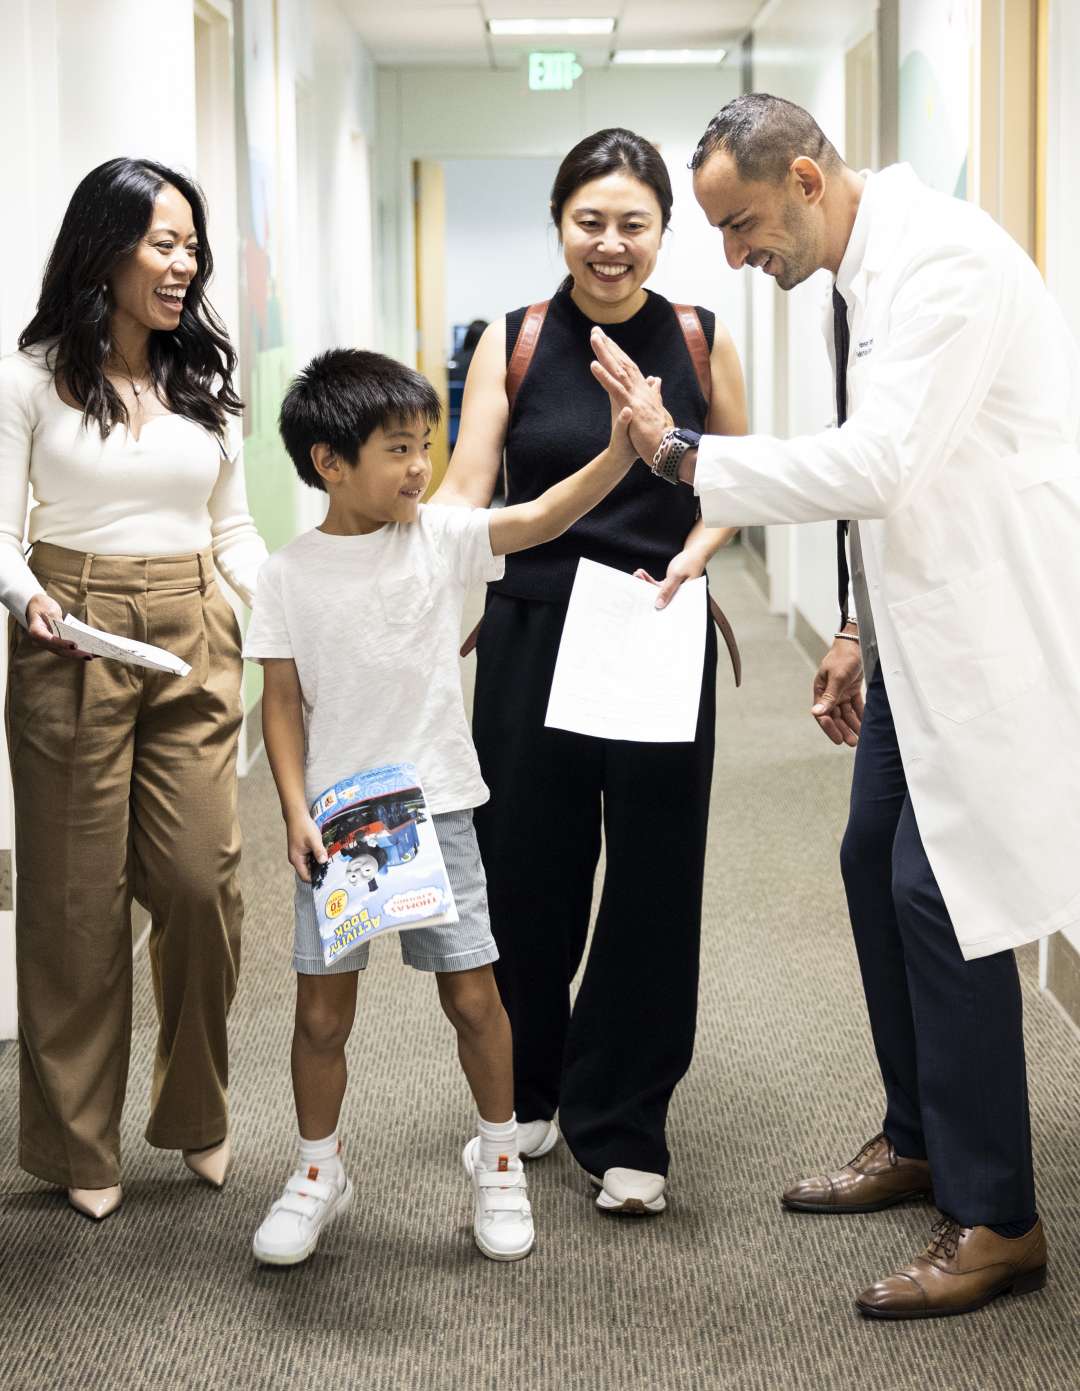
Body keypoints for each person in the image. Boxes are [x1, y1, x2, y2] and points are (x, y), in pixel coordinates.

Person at [590, 91, 1080, 1318]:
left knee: (940, 889)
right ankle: (920, 1134)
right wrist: (856, 622)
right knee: (875, 857)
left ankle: (997, 1216)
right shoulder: (856, 278)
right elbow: (883, 472)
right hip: (915, 630)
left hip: (989, 627)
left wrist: (682, 454)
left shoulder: (945, 263)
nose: (736, 255)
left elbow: (882, 461)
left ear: (806, 178)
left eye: (742, 223)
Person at [243, 346, 645, 1265]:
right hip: (338, 822)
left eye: (426, 444)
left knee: (472, 996)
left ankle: (499, 1157)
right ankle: (317, 1171)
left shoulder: (441, 535)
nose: (421, 466)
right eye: (398, 449)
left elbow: (541, 517)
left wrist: (622, 450)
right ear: (330, 464)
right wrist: (294, 810)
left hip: (439, 811)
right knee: (320, 1015)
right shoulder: (288, 574)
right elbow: (279, 703)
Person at [435, 127, 747, 1215]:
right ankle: (526, 1089)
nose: (611, 245)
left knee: (656, 882)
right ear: (560, 224)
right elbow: (470, 485)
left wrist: (693, 562)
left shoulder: (701, 338)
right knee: (525, 866)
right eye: (590, 222)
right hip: (531, 632)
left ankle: (627, 1122)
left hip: (658, 630)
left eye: (634, 224)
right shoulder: (513, 339)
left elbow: (737, 488)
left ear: (665, 229)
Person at [0, 158, 268, 1220]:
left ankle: (195, 1106)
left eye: (191, 245)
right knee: (74, 905)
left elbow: (234, 525)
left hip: (194, 629)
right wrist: (29, 600)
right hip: (68, 630)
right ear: (103, 248)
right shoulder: (29, 377)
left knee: (204, 881)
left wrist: (270, 615)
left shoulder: (203, 374)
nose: (183, 263)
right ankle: (77, 1139)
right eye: (163, 241)